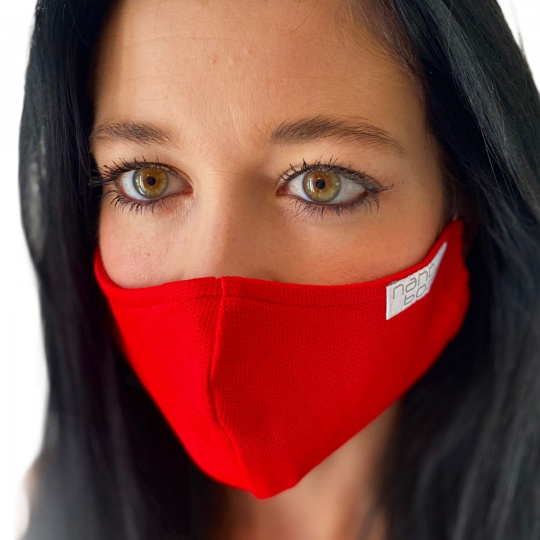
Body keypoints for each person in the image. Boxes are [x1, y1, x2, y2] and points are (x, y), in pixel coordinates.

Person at [17, 0, 540, 539]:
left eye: (322, 183)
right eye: (147, 179)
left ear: (465, 197)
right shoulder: (52, 509)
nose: (217, 273)